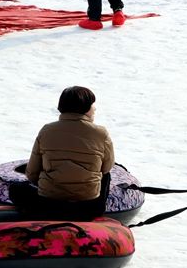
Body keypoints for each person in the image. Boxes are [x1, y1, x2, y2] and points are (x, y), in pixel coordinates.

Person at [9, 86, 115, 220]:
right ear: (86, 108)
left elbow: (32, 173)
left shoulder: (47, 130)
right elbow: (107, 168)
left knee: (16, 189)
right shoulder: (101, 133)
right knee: (106, 176)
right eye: (93, 105)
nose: (95, 108)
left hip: (49, 204)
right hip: (88, 207)